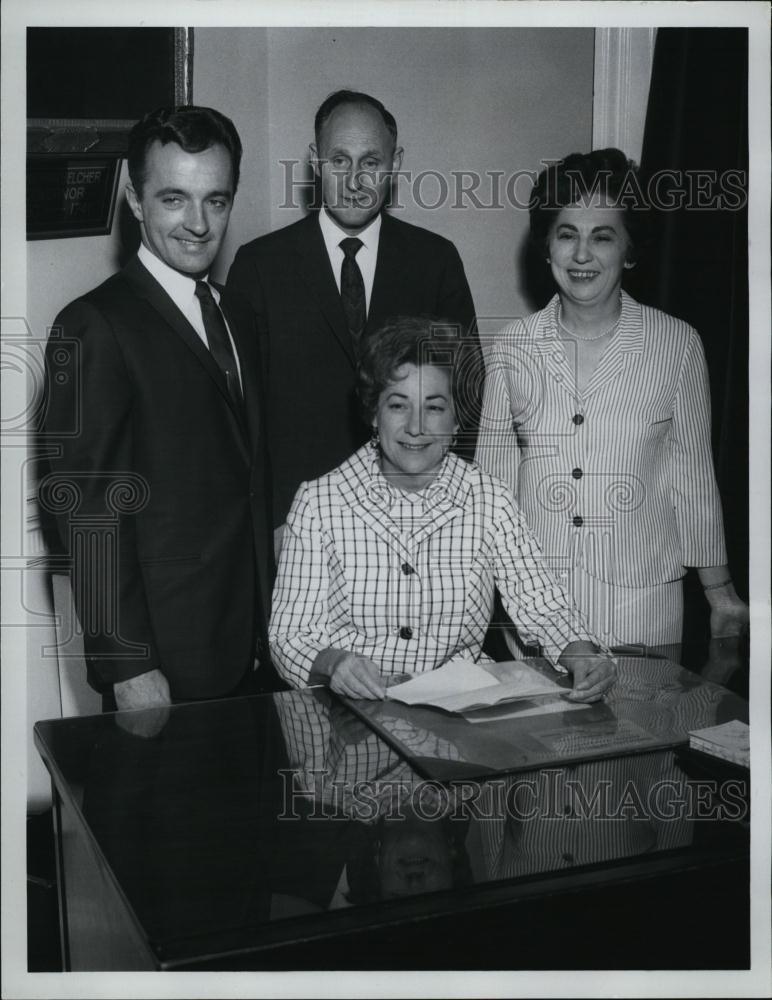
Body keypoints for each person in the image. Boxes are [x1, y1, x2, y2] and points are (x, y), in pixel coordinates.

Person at [41, 105, 275, 712]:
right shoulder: (92, 325)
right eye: (174, 198)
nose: (198, 224)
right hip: (162, 665)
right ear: (134, 199)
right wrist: (129, 667)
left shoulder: (237, 313)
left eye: (216, 201)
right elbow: (87, 511)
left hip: (252, 645)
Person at [475, 148, 749, 660]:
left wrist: (720, 593)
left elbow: (693, 475)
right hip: (538, 606)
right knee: (537, 740)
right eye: (566, 234)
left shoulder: (677, 345)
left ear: (629, 250)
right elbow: (492, 490)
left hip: (642, 607)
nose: (582, 255)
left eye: (602, 236)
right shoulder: (512, 346)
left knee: (646, 736)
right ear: (546, 247)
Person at [269, 316, 616, 701]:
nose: (416, 426)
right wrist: (333, 663)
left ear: (455, 421)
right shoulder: (319, 503)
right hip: (352, 718)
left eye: (434, 408)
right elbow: (289, 637)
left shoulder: (489, 498)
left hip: (464, 721)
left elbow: (542, 604)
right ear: (372, 413)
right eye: (398, 405)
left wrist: (584, 655)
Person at [227, 89, 480, 529]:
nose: (354, 180)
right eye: (339, 161)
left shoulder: (435, 261)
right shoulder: (260, 266)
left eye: (370, 162)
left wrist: (439, 509)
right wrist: (268, 522)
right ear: (314, 161)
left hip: (413, 516)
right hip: (295, 524)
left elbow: (466, 395)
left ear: (395, 164)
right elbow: (240, 419)